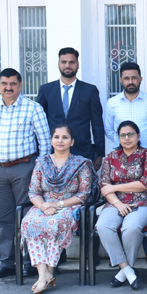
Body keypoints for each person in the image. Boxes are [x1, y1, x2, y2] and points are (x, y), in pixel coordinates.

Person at [35, 47, 105, 274]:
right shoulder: (46, 90)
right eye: (64, 62)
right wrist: (43, 154)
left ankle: (90, 254)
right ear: (58, 64)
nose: (67, 65)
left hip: (83, 155)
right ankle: (59, 254)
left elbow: (97, 123)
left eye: (71, 62)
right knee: (54, 199)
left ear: (77, 64)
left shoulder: (89, 90)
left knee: (85, 204)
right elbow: (39, 125)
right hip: (54, 158)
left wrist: (99, 153)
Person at [0, 68, 51, 279]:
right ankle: (6, 262)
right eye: (4, 83)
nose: (8, 87)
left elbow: (45, 142)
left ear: (20, 85)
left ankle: (30, 261)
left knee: (28, 216)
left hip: (25, 168)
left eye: (13, 84)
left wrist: (38, 171)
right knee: (4, 217)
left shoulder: (32, 108)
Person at [19, 124, 95, 294]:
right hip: (44, 205)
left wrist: (57, 205)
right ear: (51, 140)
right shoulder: (42, 162)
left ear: (72, 141)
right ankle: (43, 274)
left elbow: (84, 194)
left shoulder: (81, 163)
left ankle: (49, 273)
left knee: (55, 224)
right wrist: (44, 206)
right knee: (30, 222)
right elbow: (33, 191)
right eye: (57, 137)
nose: (60, 140)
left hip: (68, 206)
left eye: (65, 137)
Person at [96, 121, 147, 290]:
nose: (127, 138)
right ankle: (127, 270)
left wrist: (115, 188)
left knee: (130, 228)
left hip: (143, 200)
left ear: (138, 136)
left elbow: (145, 183)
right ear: (118, 138)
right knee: (102, 225)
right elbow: (104, 185)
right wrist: (117, 203)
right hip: (115, 202)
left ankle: (123, 273)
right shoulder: (111, 157)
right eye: (123, 135)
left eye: (131, 134)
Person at [103, 62, 147, 265]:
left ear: (140, 79)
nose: (130, 81)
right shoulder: (113, 103)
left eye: (134, 77)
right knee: (107, 224)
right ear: (121, 80)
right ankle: (123, 264)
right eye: (126, 78)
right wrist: (122, 145)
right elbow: (109, 129)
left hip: (145, 158)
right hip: (120, 159)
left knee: (139, 217)